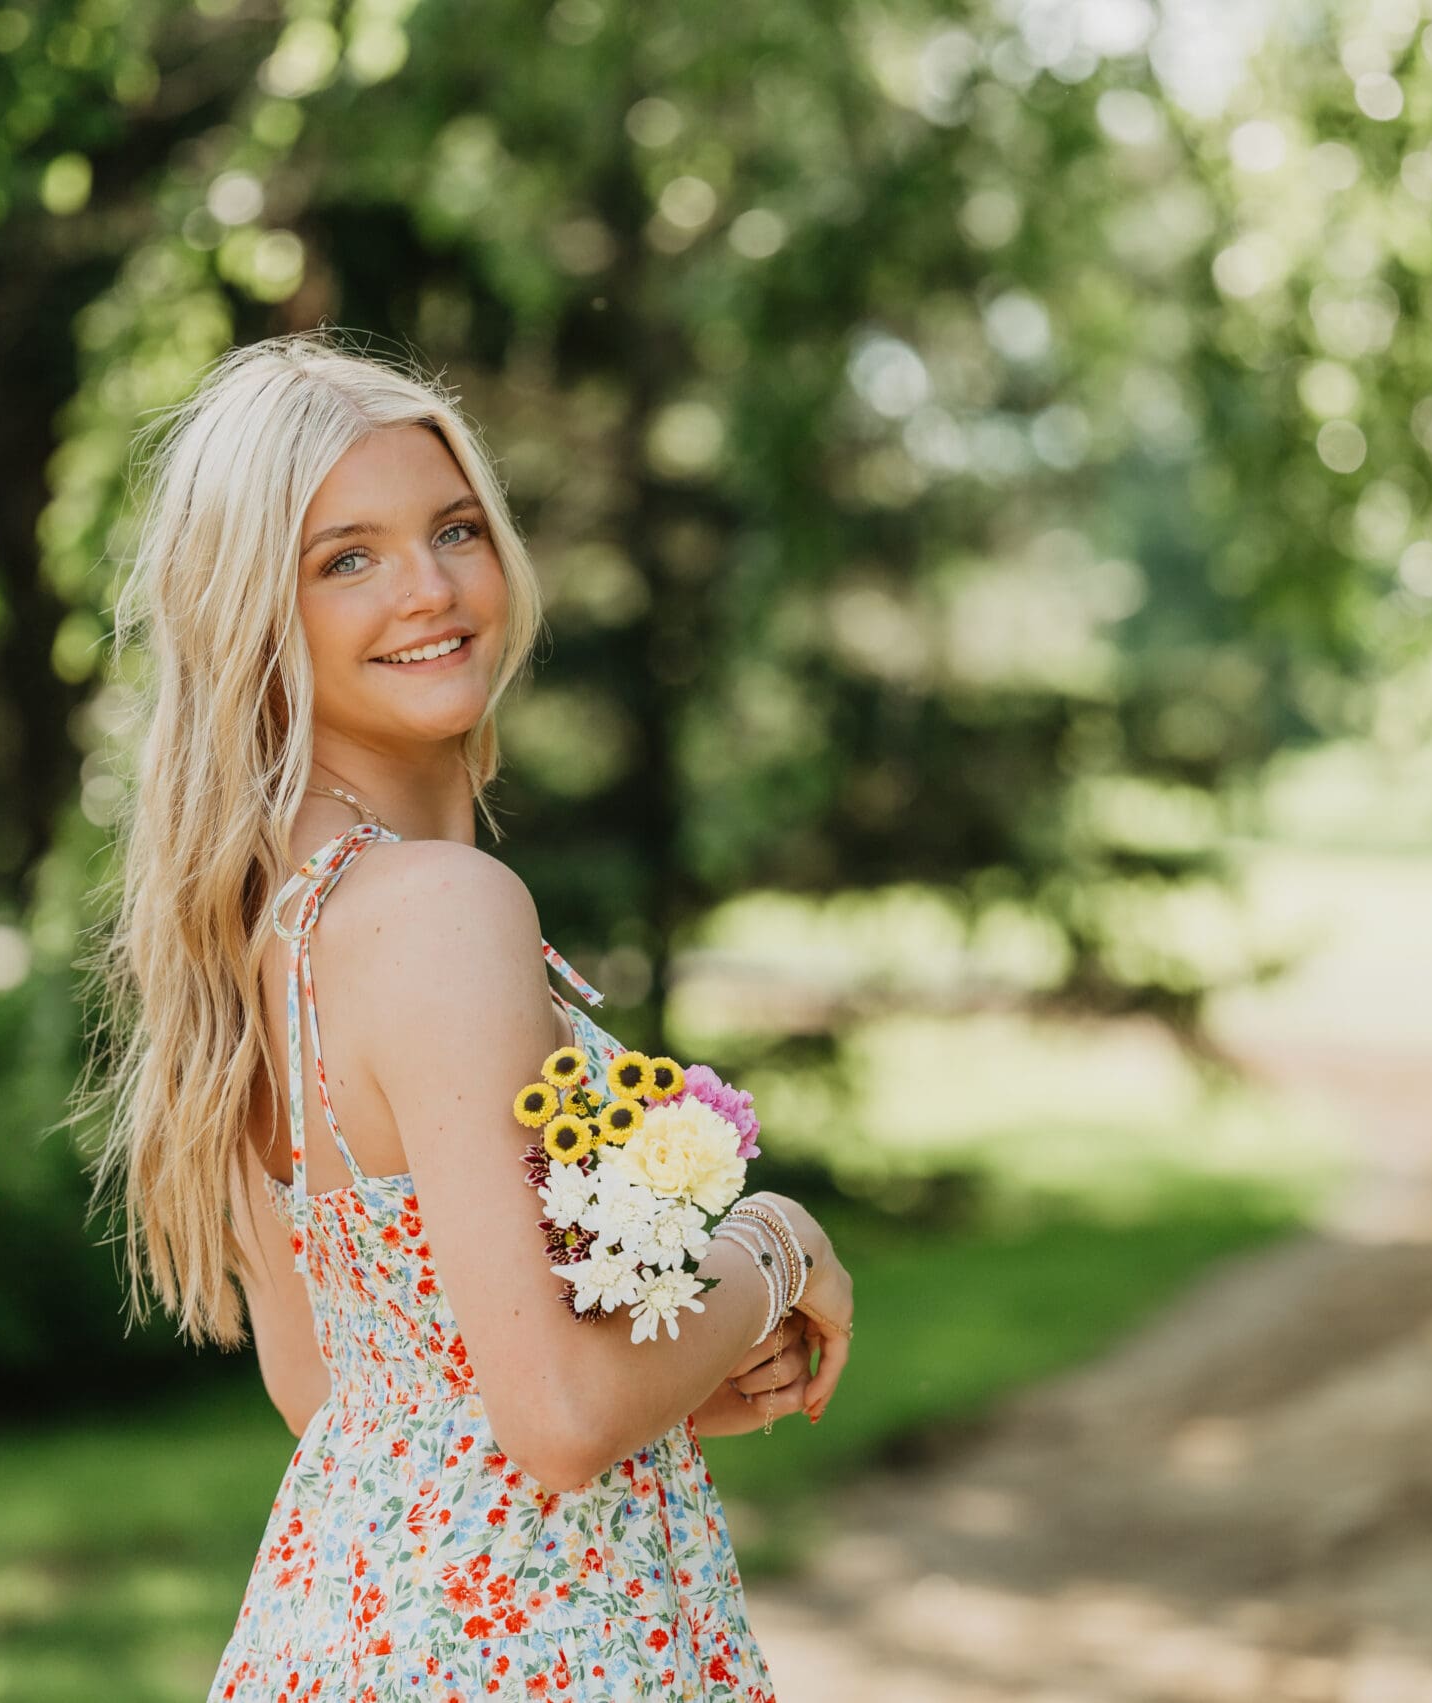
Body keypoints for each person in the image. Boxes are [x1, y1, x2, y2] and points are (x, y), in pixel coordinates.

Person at [83, 329, 855, 1702]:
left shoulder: (261, 935)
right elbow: (552, 1421)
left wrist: (670, 1361)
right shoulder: (440, 912)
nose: (431, 588)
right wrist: (776, 1251)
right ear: (253, 612)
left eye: (454, 530)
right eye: (347, 558)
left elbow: (340, 1398)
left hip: (352, 1638)